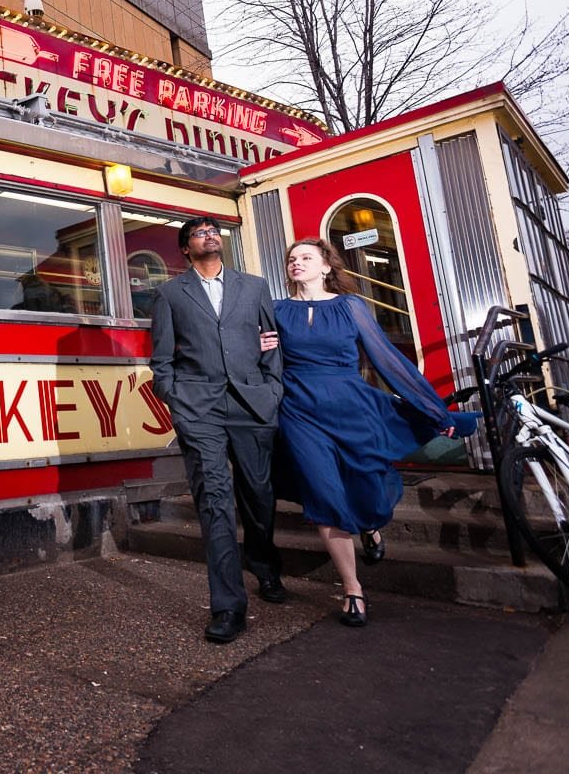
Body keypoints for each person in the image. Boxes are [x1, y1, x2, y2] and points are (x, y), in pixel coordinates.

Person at [273, 238, 478, 627]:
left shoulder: (350, 307)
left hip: (352, 407)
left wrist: (432, 408)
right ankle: (352, 588)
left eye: (306, 258)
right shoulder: (277, 310)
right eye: (291, 259)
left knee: (367, 487)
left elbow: (386, 357)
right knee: (323, 493)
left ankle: (370, 526)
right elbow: (264, 358)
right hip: (299, 410)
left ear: (326, 267)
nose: (296, 263)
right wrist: (263, 345)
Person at [149, 216, 287, 644]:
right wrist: (175, 398)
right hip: (199, 409)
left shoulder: (254, 286)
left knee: (259, 496)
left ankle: (263, 565)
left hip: (251, 403)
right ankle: (228, 606)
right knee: (214, 503)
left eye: (214, 231)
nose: (210, 236)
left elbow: (271, 340)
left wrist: (272, 389)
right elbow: (162, 358)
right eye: (199, 233)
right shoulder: (170, 293)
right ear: (186, 249)